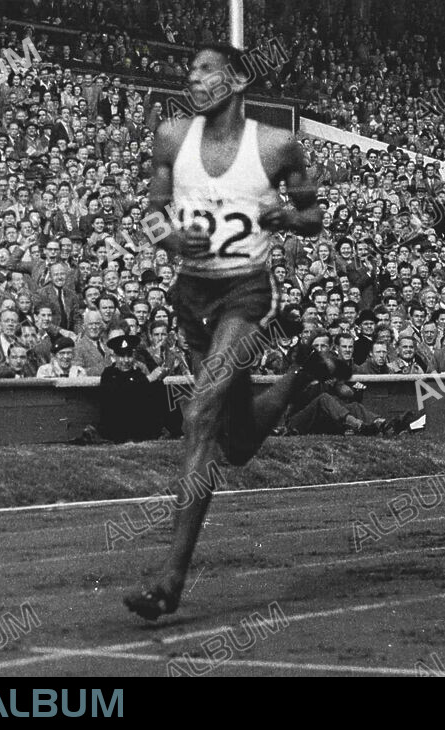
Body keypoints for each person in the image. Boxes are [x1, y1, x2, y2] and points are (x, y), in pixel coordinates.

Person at [122, 44, 346, 621]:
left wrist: (285, 217)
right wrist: (170, 241)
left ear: (237, 78)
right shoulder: (171, 137)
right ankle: (300, 376)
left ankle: (170, 579)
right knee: (238, 443)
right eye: (189, 72)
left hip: (247, 296)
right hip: (192, 295)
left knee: (199, 412)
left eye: (204, 70)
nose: (192, 79)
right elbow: (150, 211)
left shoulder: (275, 144)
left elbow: (314, 217)